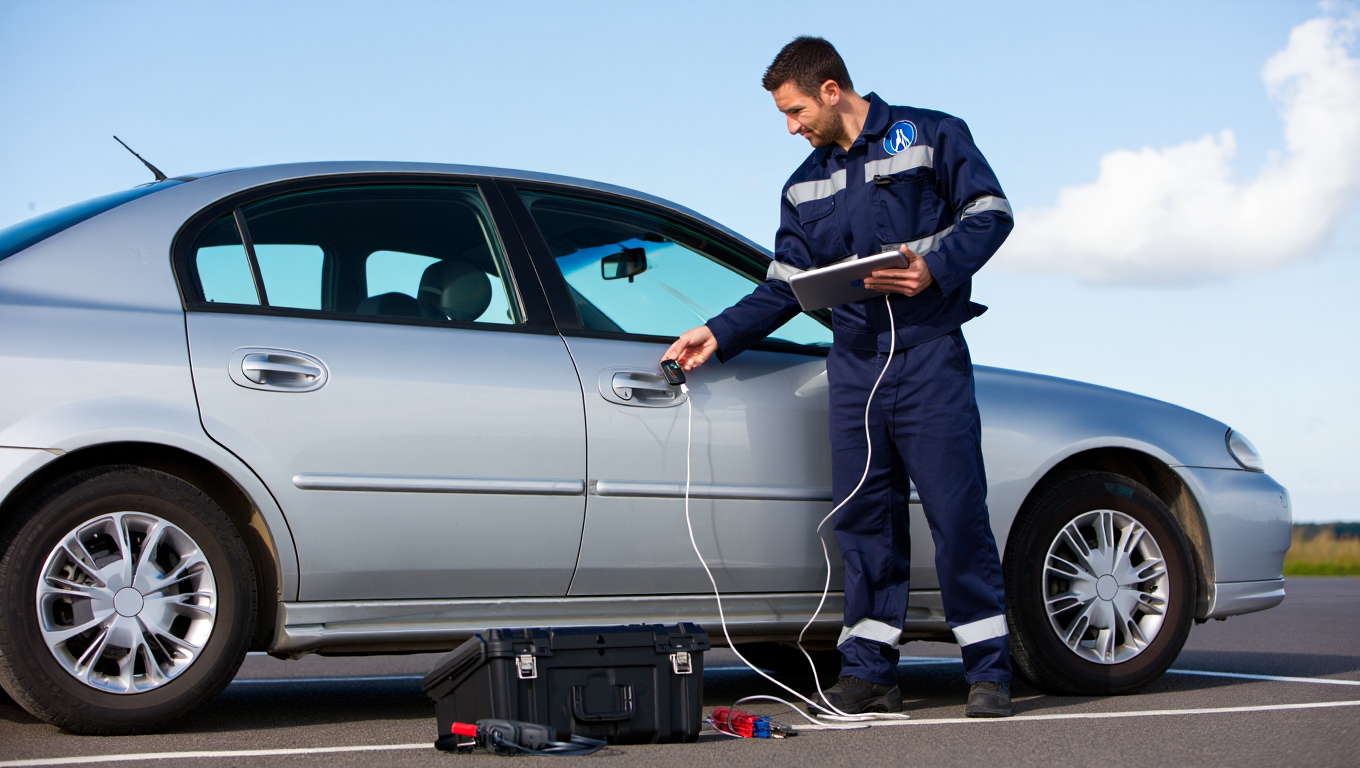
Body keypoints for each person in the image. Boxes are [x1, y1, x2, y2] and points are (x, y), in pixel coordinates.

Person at [663, 36, 1015, 718]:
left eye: (794, 111)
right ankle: (870, 671)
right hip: (853, 366)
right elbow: (785, 287)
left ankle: (989, 671)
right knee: (862, 520)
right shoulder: (803, 185)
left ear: (831, 90)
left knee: (956, 515)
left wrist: (932, 266)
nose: (791, 127)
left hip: (928, 354)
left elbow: (990, 215)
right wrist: (718, 331)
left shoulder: (932, 135)